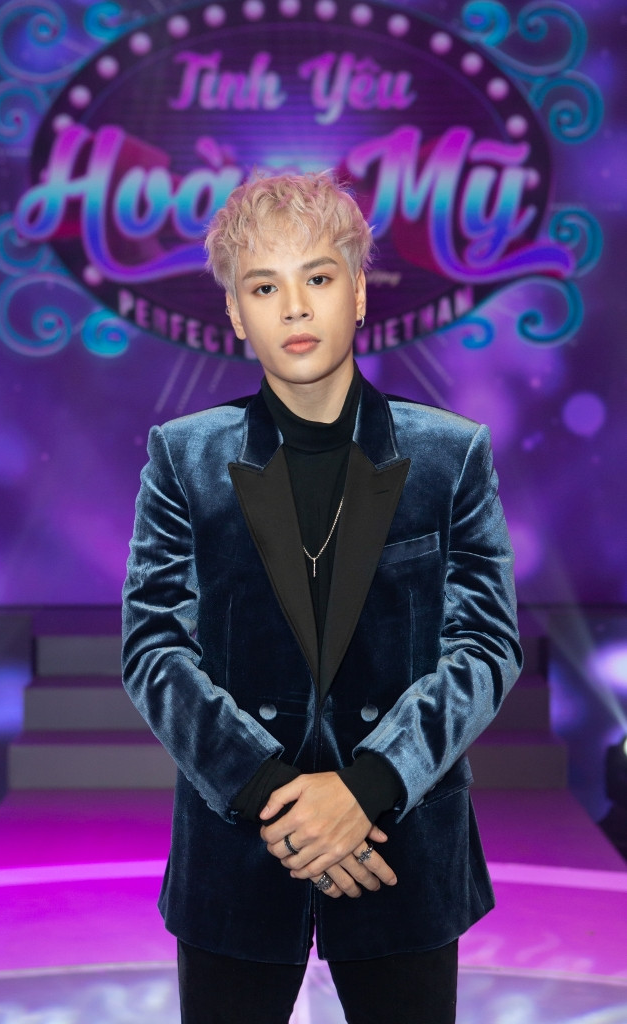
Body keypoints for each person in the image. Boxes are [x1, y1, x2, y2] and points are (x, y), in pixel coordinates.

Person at [122, 172, 522, 1024]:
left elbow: (486, 646)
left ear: (360, 293)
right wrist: (278, 799)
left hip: (398, 847)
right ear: (236, 313)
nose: (295, 307)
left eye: (318, 277)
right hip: (238, 851)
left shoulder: (450, 456)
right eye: (264, 287)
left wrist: (368, 786)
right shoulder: (184, 458)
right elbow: (154, 650)